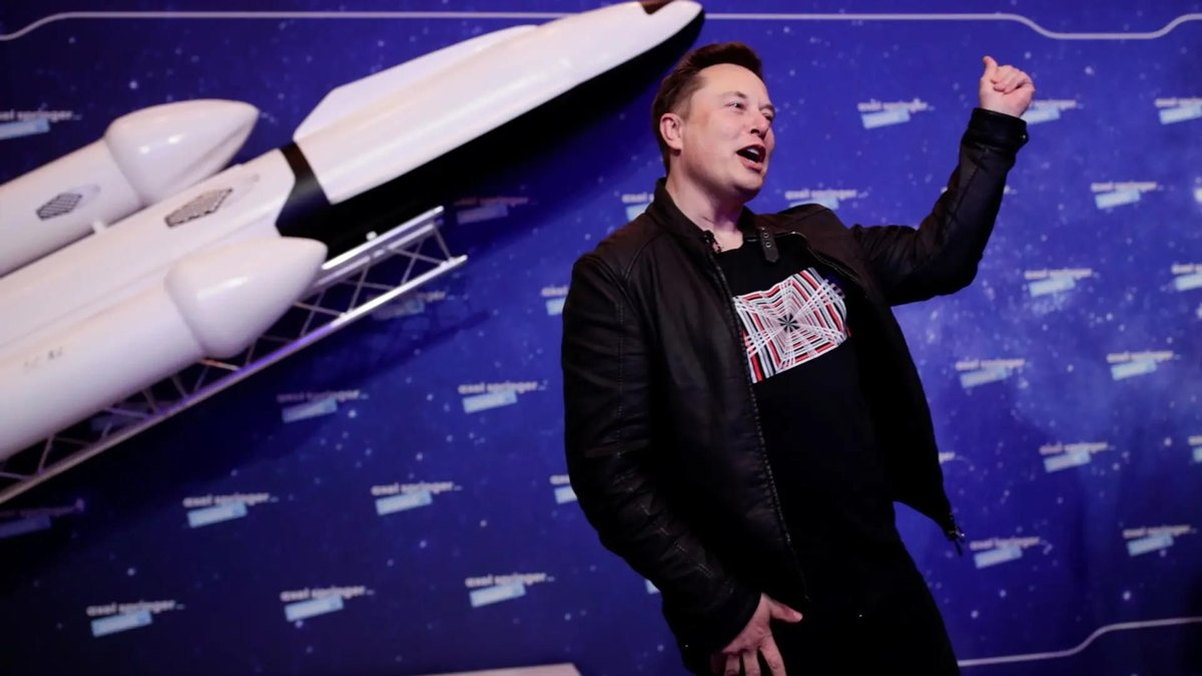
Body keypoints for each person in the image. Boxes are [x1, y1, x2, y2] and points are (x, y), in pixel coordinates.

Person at [561, 42, 1033, 676]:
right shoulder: (621, 275)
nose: (760, 124)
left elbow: (940, 257)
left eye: (768, 114)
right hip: (769, 625)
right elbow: (610, 469)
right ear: (673, 130)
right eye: (736, 106)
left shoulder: (812, 238)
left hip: (885, 590)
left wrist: (995, 128)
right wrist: (720, 601)